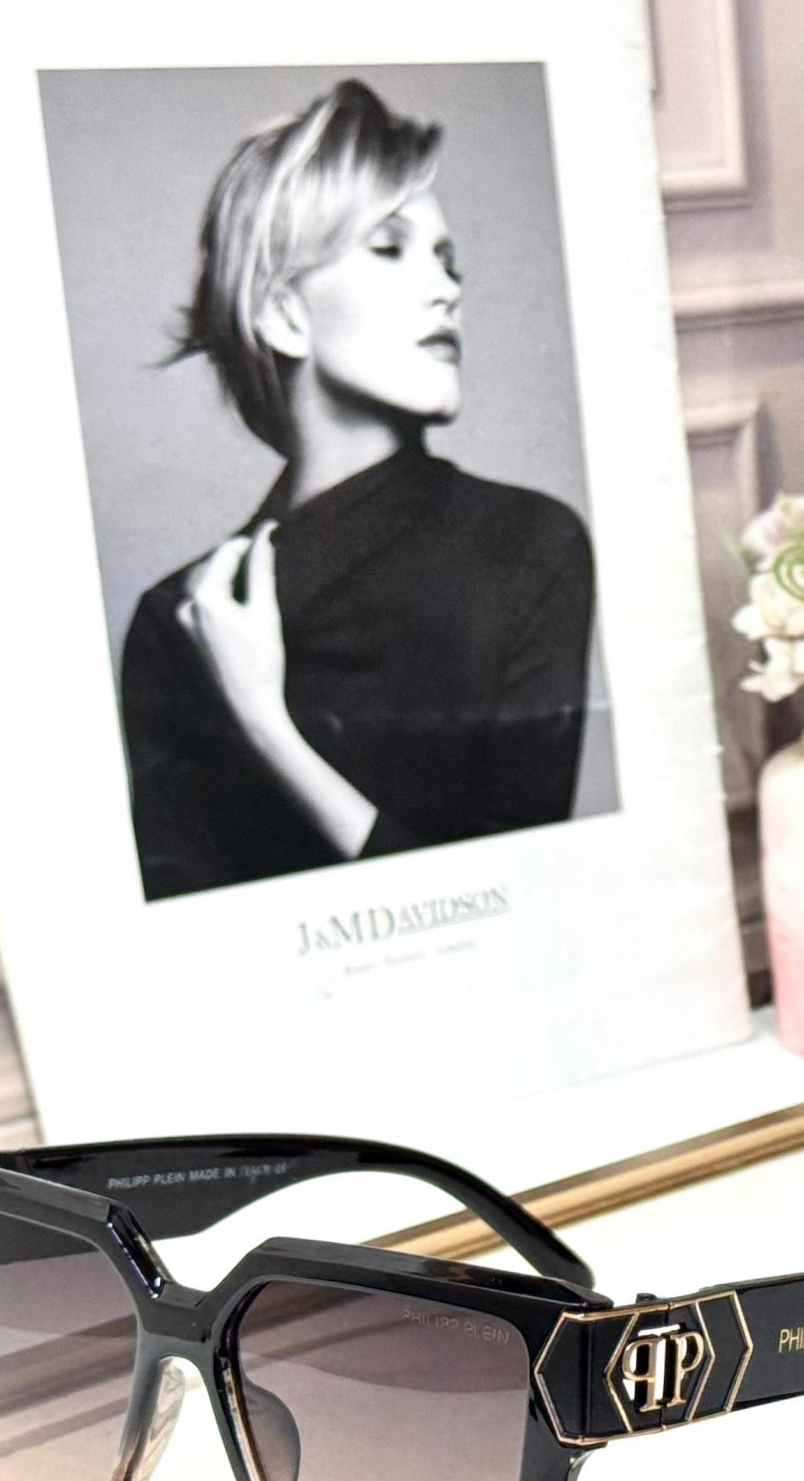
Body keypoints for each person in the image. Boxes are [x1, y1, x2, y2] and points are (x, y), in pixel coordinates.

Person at [119, 78, 595, 902]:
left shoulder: (530, 546)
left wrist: (266, 725)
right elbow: (197, 945)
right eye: (389, 248)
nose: (446, 288)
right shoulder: (184, 621)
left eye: (448, 261)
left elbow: (520, 902)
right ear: (284, 316)